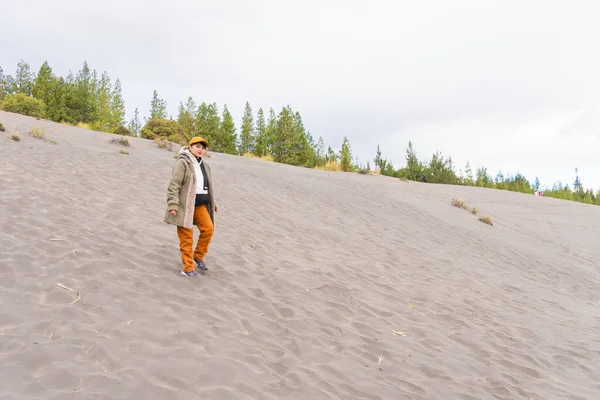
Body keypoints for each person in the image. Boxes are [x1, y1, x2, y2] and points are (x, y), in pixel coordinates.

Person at [164, 137, 218, 277]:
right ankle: (188, 269)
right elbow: (174, 185)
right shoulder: (182, 163)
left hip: (200, 206)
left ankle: (198, 257)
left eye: (203, 147)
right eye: (198, 146)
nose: (201, 149)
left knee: (208, 229)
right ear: (190, 147)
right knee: (187, 239)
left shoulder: (205, 165)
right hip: (185, 206)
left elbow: (205, 186)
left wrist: (213, 203)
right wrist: (173, 204)